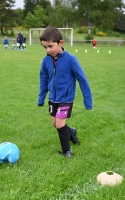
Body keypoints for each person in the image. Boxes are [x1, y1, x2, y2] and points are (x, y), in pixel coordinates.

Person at [38, 27, 93, 158]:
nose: (48, 50)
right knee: (54, 124)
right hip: (53, 98)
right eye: (45, 47)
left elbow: (82, 80)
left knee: (60, 124)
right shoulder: (46, 61)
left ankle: (67, 151)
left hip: (66, 99)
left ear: (60, 43)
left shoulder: (71, 60)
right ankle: (72, 132)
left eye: (50, 46)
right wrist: (41, 98)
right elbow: (43, 80)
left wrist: (88, 101)